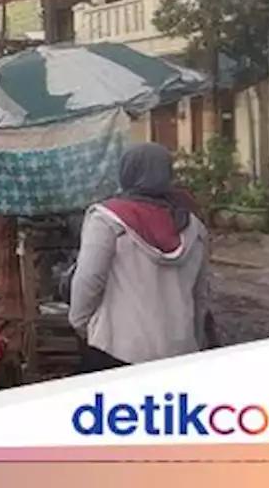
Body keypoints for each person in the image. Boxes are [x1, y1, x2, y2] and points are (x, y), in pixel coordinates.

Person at [68, 142, 211, 373]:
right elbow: (200, 295)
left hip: (117, 349)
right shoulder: (194, 227)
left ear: (127, 172)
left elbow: (89, 278)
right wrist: (193, 339)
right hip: (178, 350)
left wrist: (81, 324)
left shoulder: (107, 219)